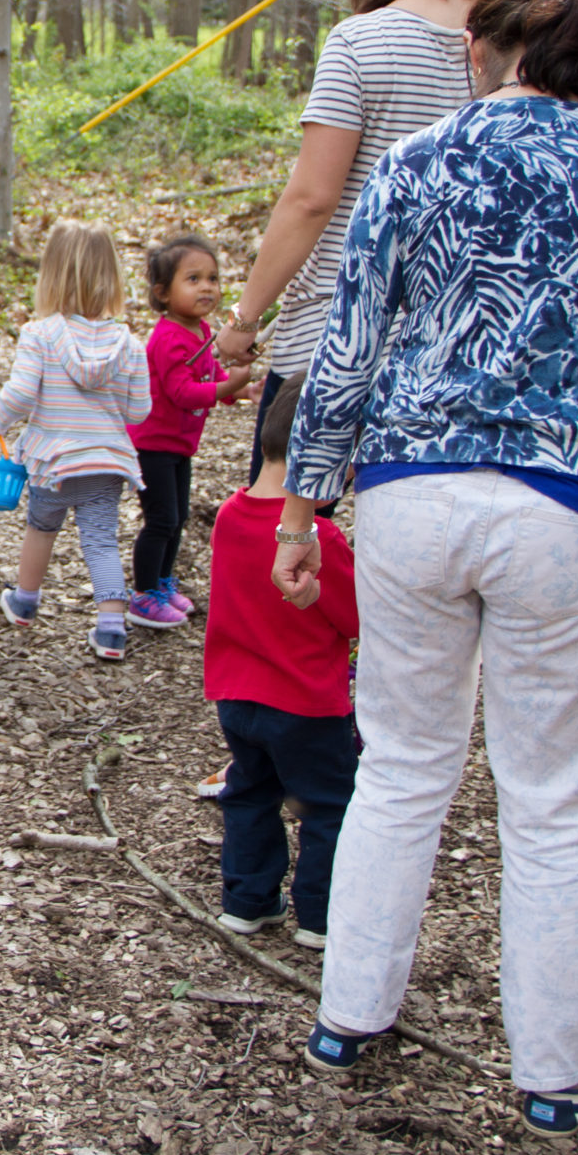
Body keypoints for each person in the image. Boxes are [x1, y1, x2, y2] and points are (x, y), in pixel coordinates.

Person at [272, 0, 578, 1138]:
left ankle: (351, 1015)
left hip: (410, 498)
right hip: (567, 506)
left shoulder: (416, 163)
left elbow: (347, 350)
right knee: (545, 800)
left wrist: (302, 506)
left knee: (398, 765)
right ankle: (551, 1070)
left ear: (483, 50)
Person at [211, 0, 489, 479]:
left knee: (288, 519)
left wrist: (244, 319)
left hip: (340, 330)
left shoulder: (361, 41)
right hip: (459, 335)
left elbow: (312, 198)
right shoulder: (505, 44)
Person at [203, 377, 358, 949]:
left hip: (238, 695)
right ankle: (318, 917)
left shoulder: (229, 516)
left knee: (249, 792)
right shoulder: (319, 538)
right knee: (329, 807)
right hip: (306, 701)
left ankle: (246, 900)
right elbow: (354, 618)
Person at [0, 221, 152, 662]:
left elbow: (20, 394)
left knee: (41, 528)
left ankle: (24, 601)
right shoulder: (130, 343)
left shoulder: (40, 334)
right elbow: (139, 412)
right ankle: (112, 628)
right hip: (105, 463)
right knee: (100, 540)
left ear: (51, 275)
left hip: (52, 464)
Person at [127, 234, 253, 628]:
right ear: (163, 293)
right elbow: (182, 392)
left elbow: (210, 373)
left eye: (212, 279)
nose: (207, 288)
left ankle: (163, 582)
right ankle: (144, 594)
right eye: (193, 279)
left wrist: (243, 390)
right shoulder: (167, 338)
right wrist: (228, 387)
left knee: (178, 516)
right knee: (161, 519)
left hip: (179, 445)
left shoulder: (201, 331)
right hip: (154, 446)